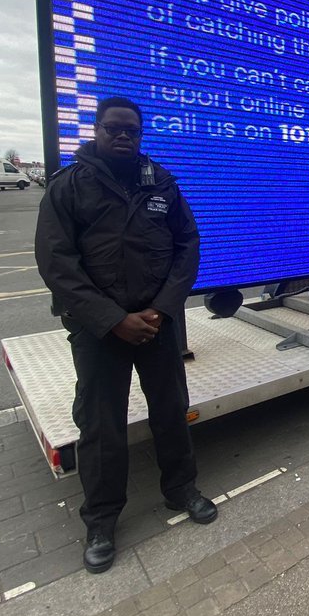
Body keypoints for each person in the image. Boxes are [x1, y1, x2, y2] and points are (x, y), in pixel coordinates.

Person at [35, 96, 214, 574]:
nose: (122, 136)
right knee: (101, 426)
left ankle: (182, 491)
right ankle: (101, 521)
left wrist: (160, 308)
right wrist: (113, 319)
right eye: (113, 128)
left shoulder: (163, 184)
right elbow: (56, 263)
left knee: (172, 411)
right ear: (96, 130)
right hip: (99, 330)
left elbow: (187, 245)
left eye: (131, 130)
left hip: (157, 324)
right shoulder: (69, 187)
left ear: (140, 135)